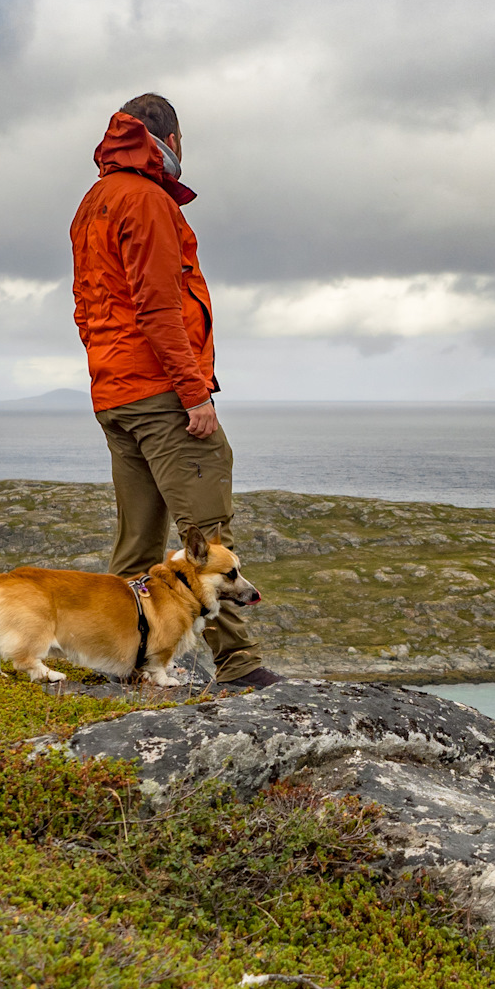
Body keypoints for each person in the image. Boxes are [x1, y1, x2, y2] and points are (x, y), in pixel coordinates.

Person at [70, 93, 286, 689]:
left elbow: (87, 308)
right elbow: (160, 305)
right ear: (167, 137)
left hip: (115, 393)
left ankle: (122, 663)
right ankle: (239, 664)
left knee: (137, 543)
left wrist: (109, 378)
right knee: (208, 536)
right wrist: (194, 393)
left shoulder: (94, 203)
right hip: (161, 391)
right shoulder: (147, 200)